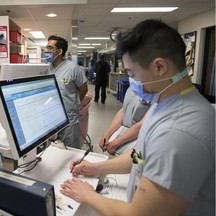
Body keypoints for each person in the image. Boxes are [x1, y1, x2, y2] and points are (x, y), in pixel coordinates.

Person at [60, 19, 215, 216]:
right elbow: (139, 156)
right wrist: (95, 168)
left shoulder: (177, 132)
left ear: (159, 67)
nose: (130, 80)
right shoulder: (166, 103)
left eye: (132, 73)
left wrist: (88, 195)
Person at [45, 35, 88, 149]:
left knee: (69, 151)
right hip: (51, 117)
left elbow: (84, 89)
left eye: (50, 48)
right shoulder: (46, 68)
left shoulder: (73, 68)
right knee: (51, 151)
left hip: (69, 118)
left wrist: (73, 104)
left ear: (59, 51)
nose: (46, 50)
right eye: (46, 47)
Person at [99, 87, 150, 155]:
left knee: (136, 161)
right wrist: (106, 135)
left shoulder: (158, 93)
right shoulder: (133, 85)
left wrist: (115, 143)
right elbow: (124, 110)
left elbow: (142, 124)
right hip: (125, 137)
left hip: (140, 140)